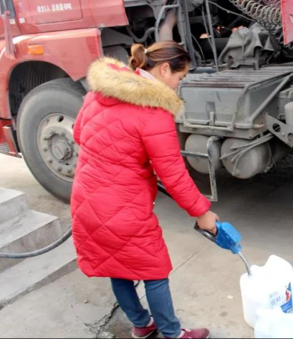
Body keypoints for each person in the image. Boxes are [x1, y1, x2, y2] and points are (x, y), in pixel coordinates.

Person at [71, 41, 219, 339]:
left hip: (85, 199)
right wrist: (202, 212)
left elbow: (78, 134)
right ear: (165, 70)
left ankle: (141, 324)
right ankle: (172, 333)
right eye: (180, 77)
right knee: (155, 269)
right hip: (122, 207)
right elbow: (173, 175)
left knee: (116, 265)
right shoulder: (154, 112)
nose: (179, 85)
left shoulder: (98, 93)